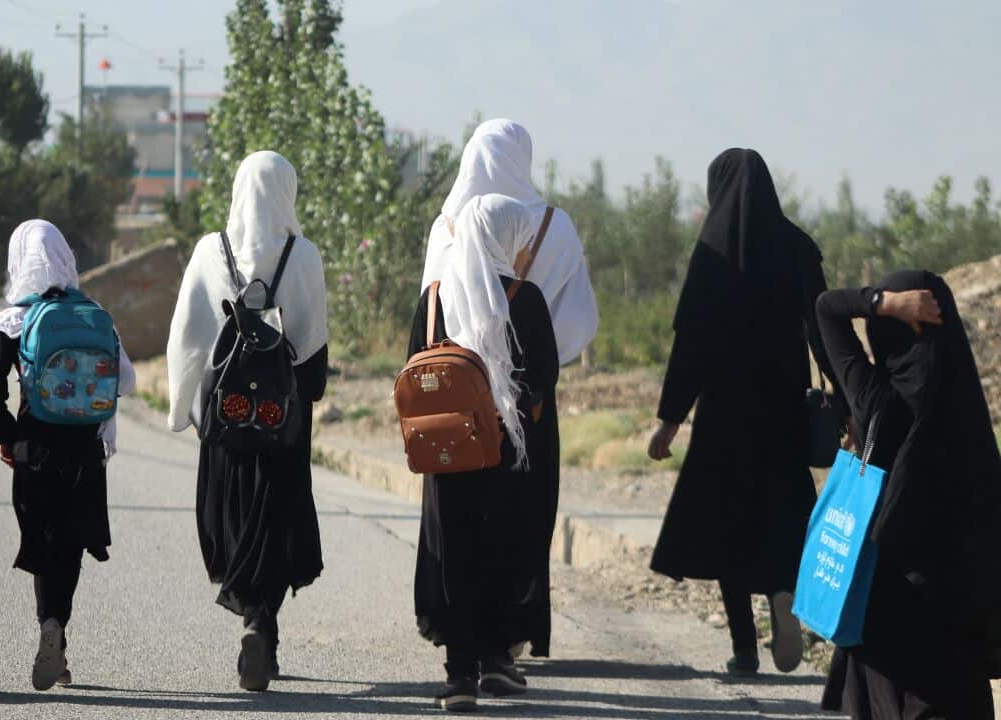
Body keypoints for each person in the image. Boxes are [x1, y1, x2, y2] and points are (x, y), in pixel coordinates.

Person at [646, 148, 844, 676]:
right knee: (780, 512)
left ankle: (743, 648)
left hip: (722, 417)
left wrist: (670, 419)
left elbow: (690, 344)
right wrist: (848, 400)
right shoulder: (798, 247)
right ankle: (782, 592)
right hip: (781, 409)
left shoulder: (712, 252)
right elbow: (824, 327)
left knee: (728, 523)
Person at [421, 118, 598, 660]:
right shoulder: (554, 227)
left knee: (455, 516)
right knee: (522, 513)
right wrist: (527, 366)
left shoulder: (445, 227)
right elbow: (576, 321)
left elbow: (430, 319)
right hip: (528, 405)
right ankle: (512, 633)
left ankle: (457, 634)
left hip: (454, 403)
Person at [166, 151, 329, 693]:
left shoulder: (210, 251)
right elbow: (313, 354)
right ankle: (263, 625)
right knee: (277, 527)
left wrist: (183, 408)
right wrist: (298, 407)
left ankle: (257, 626)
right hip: (283, 423)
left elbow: (187, 337)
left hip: (227, 425)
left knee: (236, 525)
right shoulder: (303, 256)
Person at [815, 271, 1001, 718]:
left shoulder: (876, 397)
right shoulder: (970, 421)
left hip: (884, 608)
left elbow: (825, 308)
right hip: (957, 620)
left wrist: (882, 302)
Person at [409, 194, 559, 712]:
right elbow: (544, 378)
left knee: (455, 555)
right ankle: (497, 656)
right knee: (501, 550)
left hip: (447, 457)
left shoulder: (433, 298)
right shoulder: (528, 297)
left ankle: (458, 678)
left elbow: (414, 365)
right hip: (506, 455)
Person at [0, 219, 136, 691]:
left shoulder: (12, 320)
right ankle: (58, 630)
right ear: (65, 256)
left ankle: (50, 629)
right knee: (69, 549)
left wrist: (6, 436)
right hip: (85, 450)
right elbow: (125, 381)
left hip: (35, 450)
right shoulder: (92, 312)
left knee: (45, 546)